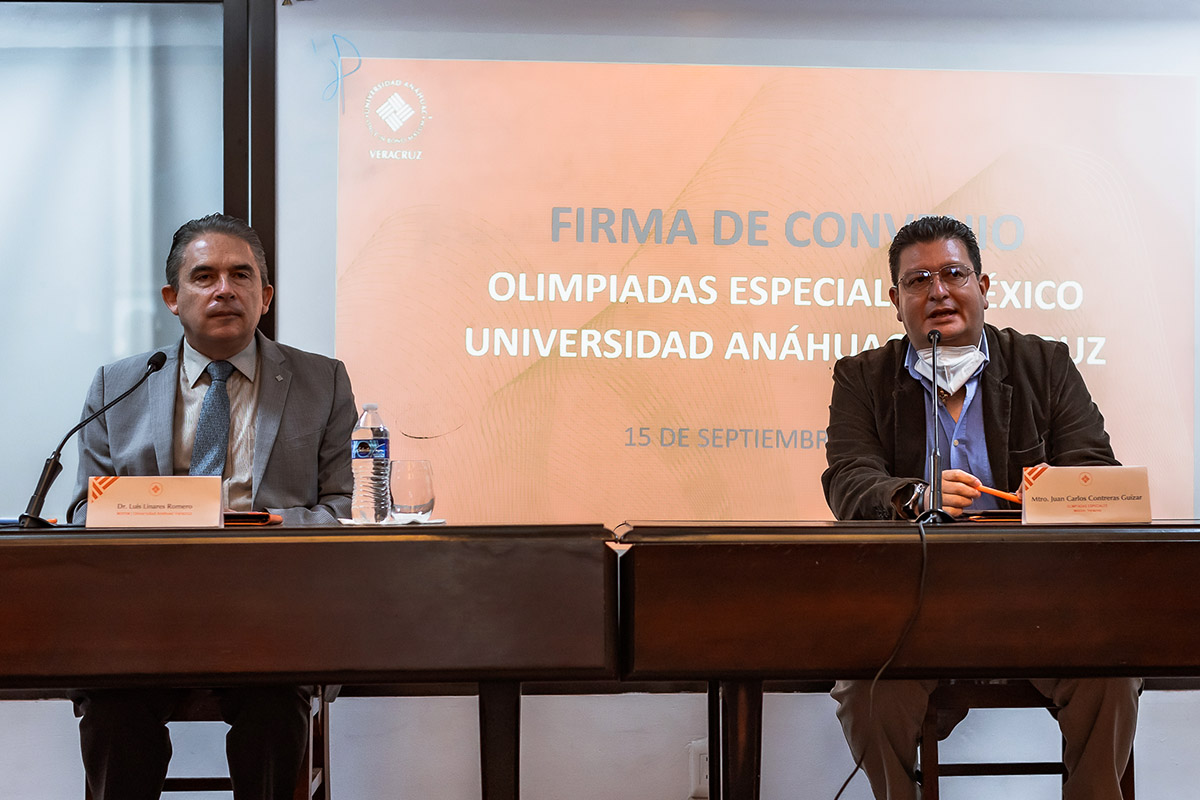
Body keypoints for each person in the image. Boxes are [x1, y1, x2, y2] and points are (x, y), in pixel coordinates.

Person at [821, 215, 1139, 800]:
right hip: (915, 609)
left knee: (1112, 673)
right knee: (863, 691)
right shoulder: (863, 378)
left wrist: (1054, 492)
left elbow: (1097, 471)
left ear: (984, 286)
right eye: (918, 281)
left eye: (952, 273)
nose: (938, 291)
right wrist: (917, 495)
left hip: (1041, 599)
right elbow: (848, 480)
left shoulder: (1044, 364)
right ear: (896, 301)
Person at [66, 213, 357, 800]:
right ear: (173, 298)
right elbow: (82, 515)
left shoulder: (321, 381)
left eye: (241, 275)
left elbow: (342, 508)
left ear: (265, 295)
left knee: (275, 711)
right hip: (146, 622)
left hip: (272, 621)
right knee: (114, 711)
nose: (224, 289)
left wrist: (259, 523)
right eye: (204, 276)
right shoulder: (117, 384)